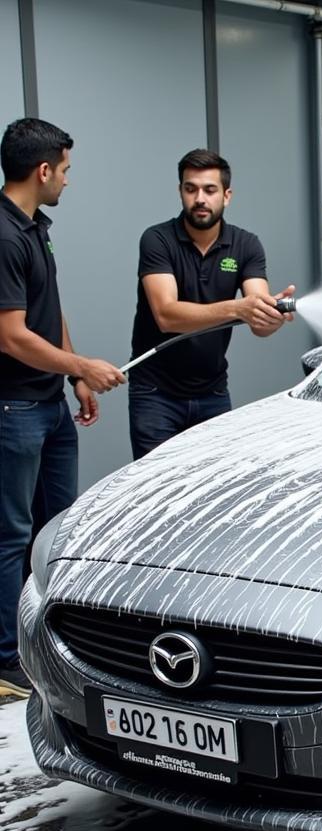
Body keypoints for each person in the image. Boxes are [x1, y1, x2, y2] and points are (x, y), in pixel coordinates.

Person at [0, 118, 125, 699]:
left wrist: (74, 379)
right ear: (43, 170)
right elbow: (12, 336)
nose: (69, 182)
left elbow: (50, 311)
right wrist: (80, 367)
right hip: (15, 410)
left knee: (59, 530)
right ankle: (6, 661)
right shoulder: (2, 235)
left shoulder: (34, 228)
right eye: (66, 171)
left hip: (49, 403)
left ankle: (60, 643)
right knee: (13, 535)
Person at [127, 148, 293, 459]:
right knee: (156, 494)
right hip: (155, 395)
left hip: (213, 393)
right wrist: (238, 308)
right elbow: (166, 315)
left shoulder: (246, 244)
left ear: (227, 196)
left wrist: (271, 315)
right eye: (191, 189)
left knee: (212, 492)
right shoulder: (157, 240)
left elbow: (258, 320)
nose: (200, 198)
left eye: (210, 190)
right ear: (180, 192)